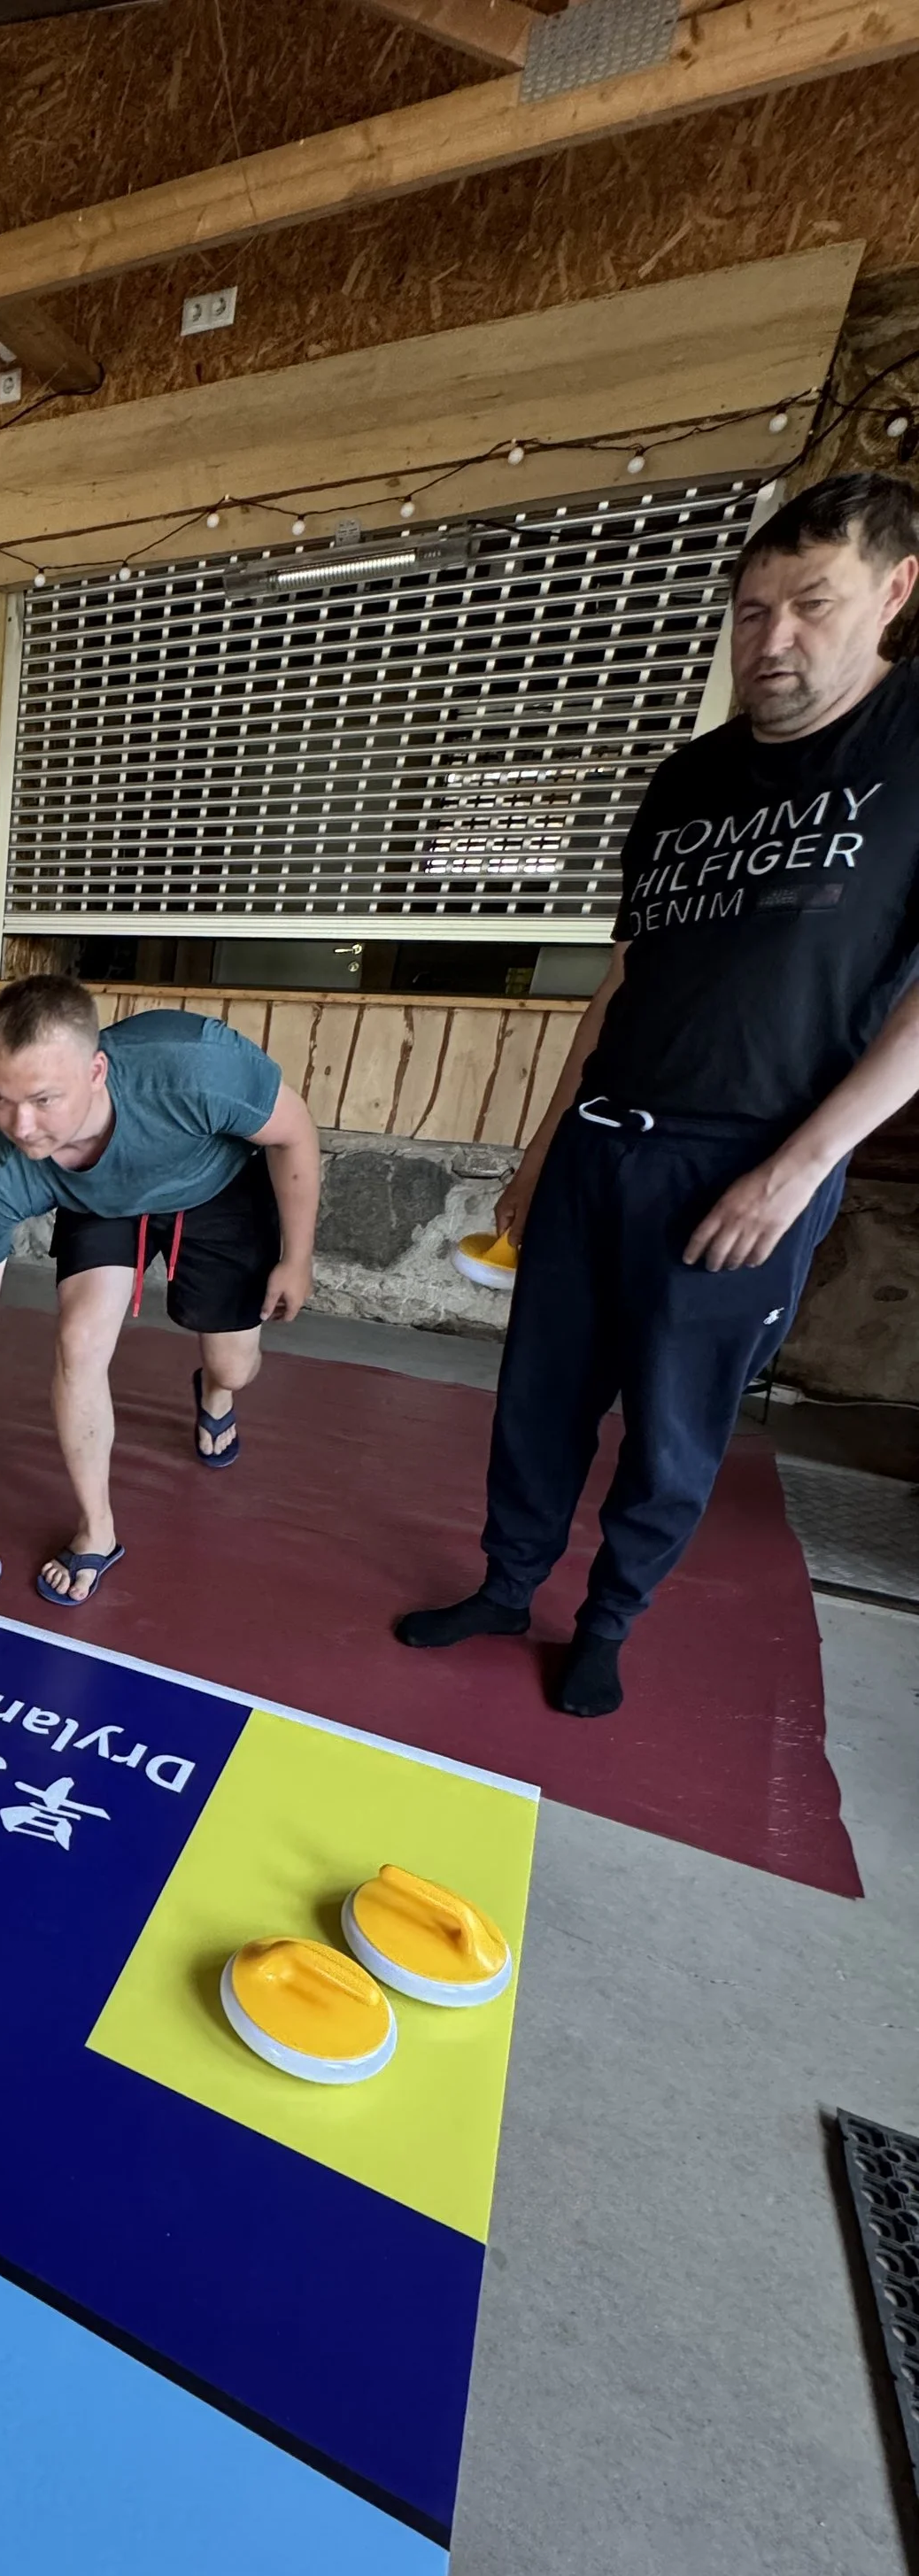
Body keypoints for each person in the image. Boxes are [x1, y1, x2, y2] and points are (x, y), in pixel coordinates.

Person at [399, 471, 919, 1717]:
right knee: (541, 1397)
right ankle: (508, 1583)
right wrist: (538, 1153)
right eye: (749, 610)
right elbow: (622, 980)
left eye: (811, 603)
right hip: (600, 1143)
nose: (772, 639)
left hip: (747, 1161)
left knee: (674, 1429)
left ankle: (609, 1623)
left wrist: (797, 1172)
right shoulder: (688, 781)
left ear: (897, 592)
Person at [0, 975, 321, 1605]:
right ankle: (97, 1530)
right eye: (1, 1099)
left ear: (96, 1071)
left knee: (235, 1365)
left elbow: (293, 1131)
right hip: (100, 1202)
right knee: (78, 1344)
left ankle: (214, 1390)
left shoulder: (192, 1067)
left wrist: (297, 1259)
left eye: (43, 1099)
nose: (22, 1126)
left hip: (212, 1184)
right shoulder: (2, 1167)